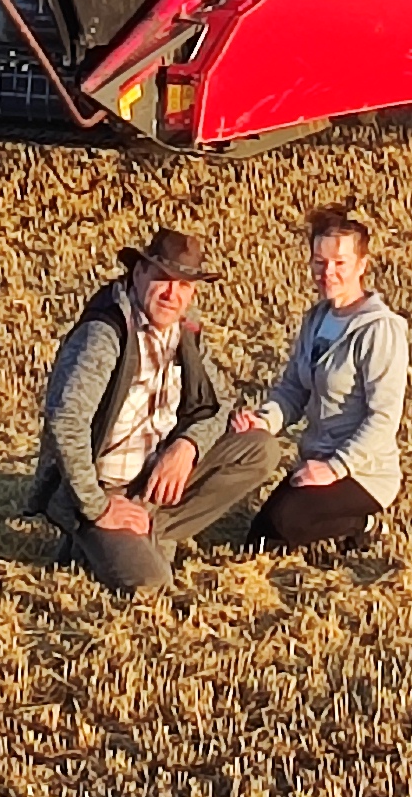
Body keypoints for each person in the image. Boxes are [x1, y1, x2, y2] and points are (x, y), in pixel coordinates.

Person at [28, 225, 280, 595]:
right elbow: (66, 422)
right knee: (152, 583)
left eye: (184, 285)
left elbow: (219, 403)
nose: (172, 294)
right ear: (138, 273)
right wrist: (98, 506)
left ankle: (144, 530)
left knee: (259, 449)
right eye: (163, 278)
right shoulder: (105, 333)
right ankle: (98, 536)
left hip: (152, 480)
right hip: (103, 486)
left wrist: (187, 446)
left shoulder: (185, 332)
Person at [238, 204, 410, 555]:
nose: (327, 272)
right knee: (258, 541)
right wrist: (263, 421)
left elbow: (383, 418)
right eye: (319, 262)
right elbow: (293, 389)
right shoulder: (315, 319)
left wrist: (335, 468)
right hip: (315, 459)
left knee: (284, 523)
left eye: (339, 263)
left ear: (362, 265)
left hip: (363, 472)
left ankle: (364, 522)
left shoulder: (380, 330)